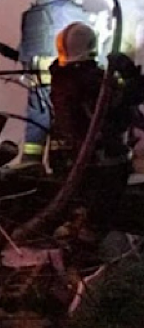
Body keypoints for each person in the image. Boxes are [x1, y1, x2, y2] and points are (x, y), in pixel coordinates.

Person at [49, 22, 144, 236]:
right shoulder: (92, 80)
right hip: (103, 160)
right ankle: (88, 241)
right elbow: (124, 101)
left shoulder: (61, 76)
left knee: (81, 207)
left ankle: (76, 234)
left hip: (74, 157)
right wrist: (130, 74)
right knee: (99, 215)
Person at [17, 0, 91, 168]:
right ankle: (64, 163)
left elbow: (25, 48)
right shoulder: (70, 9)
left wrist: (26, 71)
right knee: (64, 118)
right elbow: (87, 37)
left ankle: (31, 161)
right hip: (62, 75)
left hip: (36, 76)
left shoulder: (29, 15)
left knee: (37, 117)